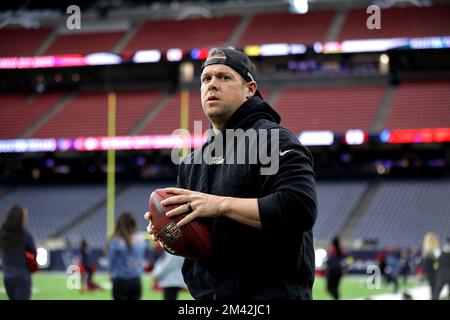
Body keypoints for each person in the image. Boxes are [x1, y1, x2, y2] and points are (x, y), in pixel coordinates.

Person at [145, 47, 317, 300]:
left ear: (250, 88)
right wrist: (171, 230)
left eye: (224, 77)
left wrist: (220, 205)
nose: (212, 85)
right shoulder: (192, 161)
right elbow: (203, 243)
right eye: (206, 79)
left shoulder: (273, 140)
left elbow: (300, 207)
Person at [106, 212, 148, 300]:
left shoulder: (116, 241)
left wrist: (110, 273)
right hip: (136, 280)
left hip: (120, 280)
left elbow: (111, 261)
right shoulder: (141, 239)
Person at [0, 205, 37, 300]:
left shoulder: (3, 234)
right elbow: (33, 253)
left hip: (7, 277)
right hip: (22, 276)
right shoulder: (24, 235)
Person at [422, 232, 440, 299]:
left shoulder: (427, 253)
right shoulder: (436, 252)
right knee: (434, 288)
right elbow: (437, 263)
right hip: (435, 272)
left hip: (431, 272)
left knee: (433, 288)